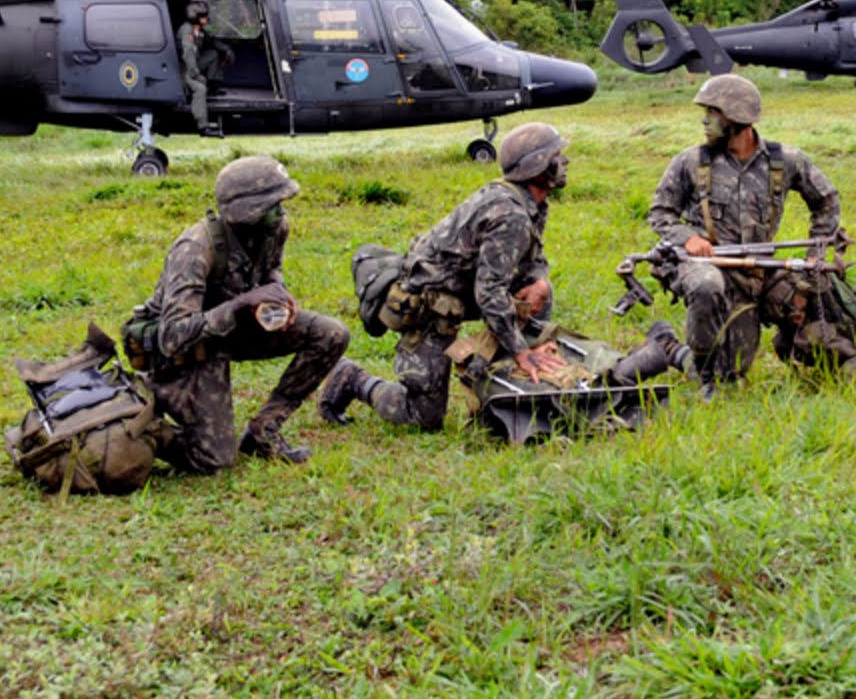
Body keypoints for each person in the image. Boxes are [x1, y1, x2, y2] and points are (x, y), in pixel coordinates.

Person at [318, 122, 569, 431]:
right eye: (557, 155)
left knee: (538, 291)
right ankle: (353, 379)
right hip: (432, 304)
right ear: (538, 167)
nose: (565, 162)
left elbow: (532, 258)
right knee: (422, 415)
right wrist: (521, 351)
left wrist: (539, 280)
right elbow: (489, 293)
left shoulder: (531, 202)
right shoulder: (510, 215)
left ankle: (507, 388)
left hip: (467, 288)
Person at [129, 156, 349, 470]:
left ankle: (263, 431)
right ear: (247, 211)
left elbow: (271, 269)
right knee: (214, 459)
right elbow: (173, 336)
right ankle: (145, 409)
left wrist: (277, 293)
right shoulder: (195, 248)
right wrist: (241, 303)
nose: (282, 211)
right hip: (188, 349)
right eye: (273, 204)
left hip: (231, 330)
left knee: (331, 333)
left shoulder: (274, 227)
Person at [647, 74, 841, 389]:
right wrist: (689, 238)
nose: (704, 120)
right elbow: (660, 213)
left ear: (738, 117)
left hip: (758, 272)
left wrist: (812, 260)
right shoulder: (691, 162)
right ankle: (702, 372)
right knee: (707, 288)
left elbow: (827, 201)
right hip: (706, 266)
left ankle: (815, 360)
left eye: (713, 112)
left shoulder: (785, 161)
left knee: (738, 367)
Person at [176, 0, 231, 137]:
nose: (207, 18)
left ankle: (213, 85)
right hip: (183, 68)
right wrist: (195, 75)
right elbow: (188, 53)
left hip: (193, 63)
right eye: (204, 16)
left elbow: (211, 41)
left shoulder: (198, 30)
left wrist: (226, 49)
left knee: (213, 54)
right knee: (200, 89)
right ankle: (203, 127)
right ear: (195, 17)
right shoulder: (187, 30)